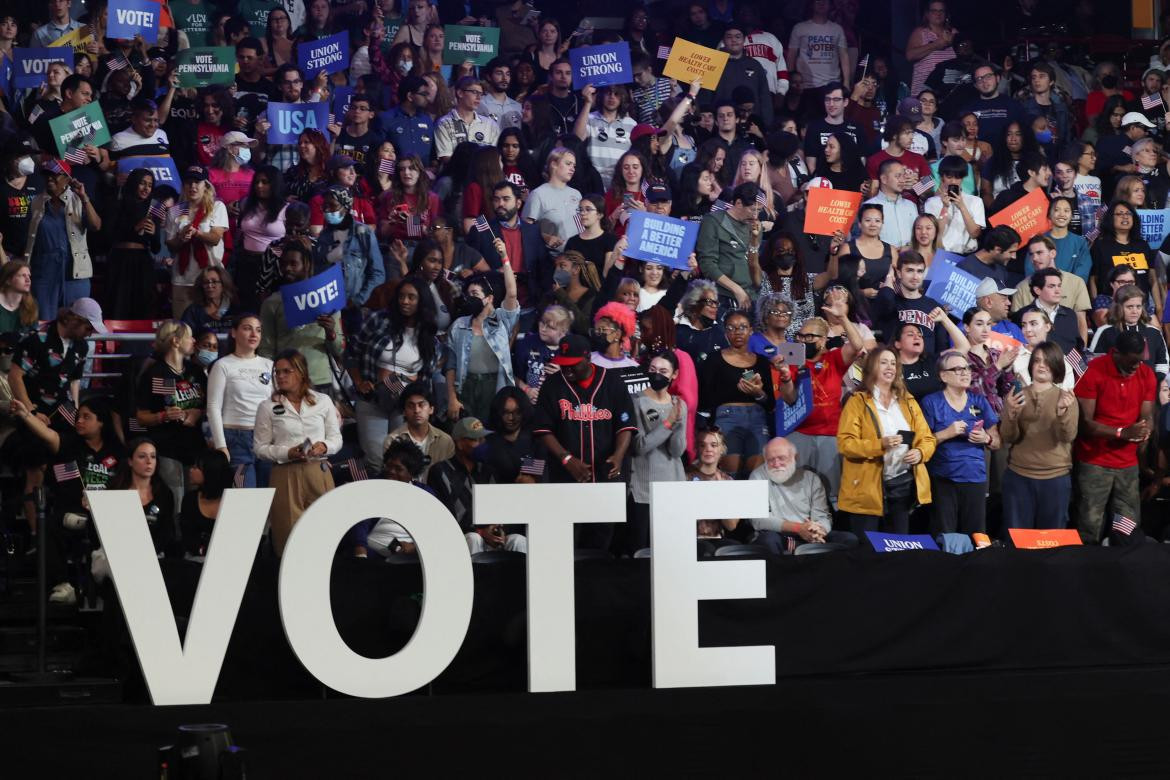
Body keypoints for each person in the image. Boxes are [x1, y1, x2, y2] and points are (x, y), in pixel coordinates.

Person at [533, 333, 636, 548]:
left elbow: (625, 425)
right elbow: (543, 430)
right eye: (563, 365)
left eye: (573, 365)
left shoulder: (612, 382)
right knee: (567, 542)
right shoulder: (552, 386)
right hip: (566, 479)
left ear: (588, 358)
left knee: (601, 543)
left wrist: (618, 455)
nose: (567, 369)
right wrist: (566, 459)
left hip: (604, 479)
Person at [837, 347, 936, 537]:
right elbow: (845, 444)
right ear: (871, 367)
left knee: (898, 552)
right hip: (866, 490)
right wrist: (880, 444)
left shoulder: (908, 401)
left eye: (893, 363)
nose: (890, 367)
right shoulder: (857, 402)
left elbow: (927, 439)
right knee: (868, 553)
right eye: (883, 362)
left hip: (902, 486)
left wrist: (921, 452)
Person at [779, 292, 865, 506]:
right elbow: (789, 399)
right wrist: (786, 378)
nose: (804, 340)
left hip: (830, 435)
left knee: (830, 493)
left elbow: (856, 345)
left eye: (810, 337)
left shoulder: (833, 358)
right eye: (800, 336)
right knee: (796, 493)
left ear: (824, 340)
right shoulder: (791, 358)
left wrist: (843, 318)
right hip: (798, 432)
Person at [253, 349, 342, 555]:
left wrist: (325, 446)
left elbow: (336, 438)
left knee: (324, 532)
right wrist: (288, 452)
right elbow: (260, 448)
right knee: (288, 537)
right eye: (277, 372)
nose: (280, 376)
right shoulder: (267, 406)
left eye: (286, 371)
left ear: (301, 373)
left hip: (318, 470)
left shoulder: (322, 401)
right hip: (285, 473)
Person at [346, 274, 438, 471]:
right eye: (401, 296)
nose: (405, 301)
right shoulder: (378, 319)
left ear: (422, 301)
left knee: (402, 462)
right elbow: (351, 353)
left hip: (405, 406)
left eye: (411, 297)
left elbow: (426, 380)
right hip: (372, 399)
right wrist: (359, 381)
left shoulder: (428, 333)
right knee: (376, 460)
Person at [1073, 331, 1157, 543]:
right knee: (1090, 524)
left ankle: (1124, 566)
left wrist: (1146, 430)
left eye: (1140, 361)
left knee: (1127, 526)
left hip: (1128, 464)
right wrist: (1121, 433)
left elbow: (1147, 415)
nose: (1137, 366)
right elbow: (1084, 424)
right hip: (1094, 462)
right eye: (1132, 361)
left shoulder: (1146, 374)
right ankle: (1088, 568)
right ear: (1117, 353)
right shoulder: (1094, 371)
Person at [999, 342, 1079, 530]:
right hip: (1019, 476)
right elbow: (1008, 437)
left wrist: (1061, 412)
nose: (1041, 365)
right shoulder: (1016, 396)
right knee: (1017, 543)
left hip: (1055, 478)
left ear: (1057, 366)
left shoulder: (1066, 398)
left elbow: (1068, 436)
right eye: (1037, 361)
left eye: (1047, 361)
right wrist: (1010, 413)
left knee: (1051, 545)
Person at [920, 349, 1000, 536]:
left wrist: (986, 438)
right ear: (943, 376)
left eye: (967, 368)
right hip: (943, 479)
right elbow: (922, 443)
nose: (965, 373)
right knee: (945, 537)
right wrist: (946, 433)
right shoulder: (931, 402)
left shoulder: (979, 401)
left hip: (975, 478)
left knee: (976, 537)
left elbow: (996, 442)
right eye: (958, 369)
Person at [258, 241, 345, 392]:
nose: (287, 268)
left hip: (320, 380)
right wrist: (269, 384)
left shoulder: (327, 297)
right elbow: (266, 349)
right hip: (287, 382)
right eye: (283, 264)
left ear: (307, 264)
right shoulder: (271, 303)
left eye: (293, 263)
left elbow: (339, 350)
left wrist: (330, 332)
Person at [698, 309, 774, 477]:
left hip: (757, 419)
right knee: (730, 475)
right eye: (731, 328)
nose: (737, 332)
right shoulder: (714, 359)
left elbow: (770, 403)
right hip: (727, 418)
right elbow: (705, 397)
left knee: (758, 476)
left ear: (751, 330)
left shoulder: (762, 362)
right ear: (725, 332)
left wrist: (758, 393)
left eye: (742, 327)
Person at [748, 436, 855, 554]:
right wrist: (798, 528)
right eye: (771, 460)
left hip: (809, 533)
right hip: (779, 535)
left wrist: (818, 530)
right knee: (768, 540)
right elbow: (758, 520)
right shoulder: (758, 476)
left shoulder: (811, 478)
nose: (776, 464)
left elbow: (822, 516)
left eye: (781, 458)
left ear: (795, 457)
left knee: (848, 539)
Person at [628, 350, 688, 552]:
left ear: (674, 374)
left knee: (669, 550)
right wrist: (669, 423)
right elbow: (639, 446)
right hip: (644, 488)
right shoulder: (636, 401)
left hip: (672, 486)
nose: (657, 375)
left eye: (663, 371)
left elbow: (677, 450)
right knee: (641, 548)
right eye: (653, 370)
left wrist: (678, 424)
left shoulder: (679, 404)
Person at [446, 262, 520, 422]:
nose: (469, 298)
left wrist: (505, 258)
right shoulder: (458, 325)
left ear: (489, 298)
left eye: (474, 293)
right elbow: (450, 365)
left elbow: (512, 293)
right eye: (467, 294)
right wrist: (452, 399)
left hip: (494, 387)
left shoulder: (502, 322)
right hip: (465, 387)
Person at [25, 159, 100, 317]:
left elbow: (96, 225)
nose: (49, 178)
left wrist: (84, 197)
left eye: (55, 175)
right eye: (46, 174)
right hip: (44, 272)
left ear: (67, 178)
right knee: (44, 321)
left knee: (76, 320)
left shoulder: (78, 200)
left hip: (74, 272)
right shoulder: (36, 202)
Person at [205, 314, 272, 489]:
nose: (254, 334)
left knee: (269, 498)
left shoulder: (269, 365)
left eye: (258, 330)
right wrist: (221, 445)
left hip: (267, 437)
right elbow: (213, 407)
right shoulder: (223, 365)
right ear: (233, 332)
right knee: (245, 499)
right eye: (247, 328)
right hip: (236, 439)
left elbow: (279, 401)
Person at [165, 165, 229, 318]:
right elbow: (171, 246)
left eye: (197, 182)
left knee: (211, 326)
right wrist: (181, 238)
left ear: (205, 185)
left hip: (209, 278)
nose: (192, 186)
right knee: (182, 328)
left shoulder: (216, 207)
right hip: (182, 279)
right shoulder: (176, 210)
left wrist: (196, 233)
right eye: (188, 182)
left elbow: (215, 238)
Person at [697, 181, 763, 314]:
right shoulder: (713, 221)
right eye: (752, 209)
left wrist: (755, 241)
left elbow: (754, 264)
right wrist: (736, 289)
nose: (756, 215)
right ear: (738, 203)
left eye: (759, 210)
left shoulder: (755, 226)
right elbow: (707, 264)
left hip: (751, 295)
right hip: (722, 296)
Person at [104, 168, 160, 319]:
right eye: (142, 183)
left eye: (149, 185)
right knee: (117, 307)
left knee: (141, 309)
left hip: (142, 264)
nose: (146, 188)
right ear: (134, 183)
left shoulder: (153, 210)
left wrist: (154, 233)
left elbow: (156, 248)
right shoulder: (116, 204)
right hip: (119, 263)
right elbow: (107, 237)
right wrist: (134, 228)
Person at [107, 438, 177, 556]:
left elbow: (167, 532)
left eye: (153, 456)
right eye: (142, 456)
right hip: (118, 554)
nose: (149, 461)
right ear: (130, 461)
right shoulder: (115, 491)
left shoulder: (164, 493)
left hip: (154, 556)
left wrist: (147, 554)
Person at [1089, 200, 1160, 316]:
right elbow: (1093, 279)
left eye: (1128, 213)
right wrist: (1095, 305)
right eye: (1120, 214)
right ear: (1110, 218)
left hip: (1141, 305)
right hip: (1111, 305)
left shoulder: (1142, 245)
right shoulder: (1100, 245)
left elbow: (1152, 279)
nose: (1125, 217)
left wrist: (1159, 306)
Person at [1089, 285, 1170, 382]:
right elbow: (1095, 363)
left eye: (1138, 306)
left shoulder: (1153, 332)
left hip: (1149, 389)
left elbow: (1162, 364)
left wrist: (1156, 384)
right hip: (1114, 386)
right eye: (1129, 307)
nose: (1135, 311)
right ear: (1119, 307)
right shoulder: (1105, 331)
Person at [235, 164, 287, 311]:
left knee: (269, 309)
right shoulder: (246, 204)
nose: (259, 186)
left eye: (265, 182)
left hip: (272, 266)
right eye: (257, 182)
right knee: (248, 308)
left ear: (275, 184)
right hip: (246, 263)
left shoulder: (286, 209)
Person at [382, 382, 453, 483]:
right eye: (411, 406)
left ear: (431, 409)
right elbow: (391, 478)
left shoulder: (446, 441)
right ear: (404, 412)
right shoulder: (392, 440)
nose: (416, 410)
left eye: (421, 405)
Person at [481, 385, 547, 485]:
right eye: (505, 412)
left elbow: (537, 477)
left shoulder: (535, 441)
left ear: (524, 412)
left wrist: (532, 480)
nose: (511, 418)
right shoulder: (488, 440)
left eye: (516, 412)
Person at [522, 147, 583, 250]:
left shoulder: (577, 194)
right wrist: (546, 237)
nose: (572, 168)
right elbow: (525, 229)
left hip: (578, 257)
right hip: (552, 258)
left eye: (574, 165)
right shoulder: (538, 194)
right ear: (553, 164)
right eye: (568, 164)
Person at [1015, 267, 1084, 354]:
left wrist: (1081, 368)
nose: (1058, 291)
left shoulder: (1070, 314)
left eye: (1059, 286)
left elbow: (1076, 348)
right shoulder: (1022, 315)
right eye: (1051, 286)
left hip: (1066, 366)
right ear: (1037, 290)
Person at [924, 154, 985, 253]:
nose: (953, 181)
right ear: (941, 177)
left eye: (957, 178)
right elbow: (934, 234)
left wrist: (962, 207)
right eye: (949, 177)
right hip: (942, 253)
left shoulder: (976, 201)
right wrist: (945, 207)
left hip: (967, 255)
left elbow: (974, 234)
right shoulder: (931, 202)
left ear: (963, 178)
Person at [180, 450, 233, 558]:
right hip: (196, 558)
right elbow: (188, 538)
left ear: (210, 471)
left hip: (227, 557)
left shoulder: (232, 500)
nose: (190, 470)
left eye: (196, 467)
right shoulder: (190, 499)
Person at [862, 159, 917, 248]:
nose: (902, 180)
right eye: (898, 176)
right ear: (884, 179)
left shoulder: (911, 205)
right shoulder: (869, 206)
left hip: (910, 258)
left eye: (904, 176)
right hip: (882, 259)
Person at [906, 1, 957, 98]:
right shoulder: (920, 32)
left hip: (949, 93)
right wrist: (936, 45)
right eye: (934, 11)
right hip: (924, 94)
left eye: (941, 10)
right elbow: (910, 55)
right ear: (927, 14)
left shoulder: (953, 32)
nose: (938, 13)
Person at [181, 266, 239, 335]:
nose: (210, 285)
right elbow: (184, 337)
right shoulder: (193, 311)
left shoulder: (235, 308)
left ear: (223, 284)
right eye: (206, 282)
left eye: (214, 281)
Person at [0, 262, 37, 340]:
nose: (28, 280)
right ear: (8, 280)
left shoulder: (31, 305)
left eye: (29, 276)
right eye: (23, 275)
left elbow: (32, 337)